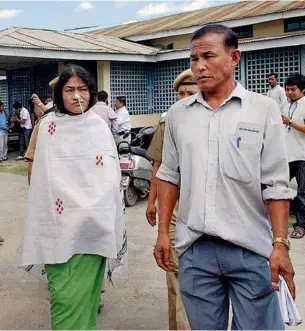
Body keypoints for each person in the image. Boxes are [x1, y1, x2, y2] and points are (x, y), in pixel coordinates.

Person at [154, 24, 296, 330]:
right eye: (193, 59)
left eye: (208, 56)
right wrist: (163, 232)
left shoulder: (263, 109)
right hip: (196, 250)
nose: (199, 66)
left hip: (250, 248)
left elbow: (276, 183)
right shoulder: (179, 113)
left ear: (234, 57)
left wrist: (280, 244)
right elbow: (168, 175)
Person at [18, 64, 126, 330]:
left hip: (94, 228)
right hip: (60, 229)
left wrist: (96, 209)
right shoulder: (49, 126)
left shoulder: (99, 126)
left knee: (88, 297)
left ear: (91, 93)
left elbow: (109, 178)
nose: (77, 95)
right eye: (70, 90)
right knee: (65, 298)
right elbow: (43, 178)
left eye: (83, 89)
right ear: (59, 95)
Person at [146, 69, 198, 331]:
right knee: (175, 272)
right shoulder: (168, 122)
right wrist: (151, 202)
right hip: (175, 207)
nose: (185, 97)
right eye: (181, 93)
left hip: (203, 208)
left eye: (191, 93)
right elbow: (158, 166)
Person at [281, 73, 305, 239]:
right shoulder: (283, 105)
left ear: (303, 90)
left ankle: (300, 226)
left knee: (303, 194)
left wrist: (290, 122)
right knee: (277, 191)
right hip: (284, 156)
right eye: (287, 89)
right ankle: (275, 224)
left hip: (303, 156)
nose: (290, 92)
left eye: (293, 89)